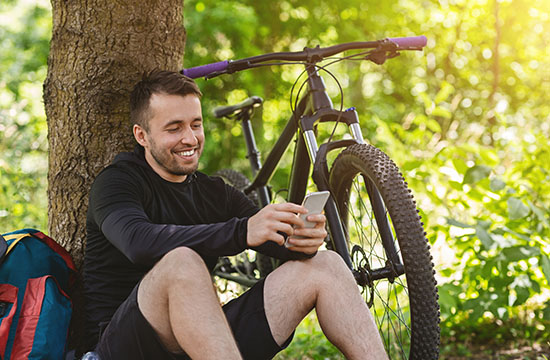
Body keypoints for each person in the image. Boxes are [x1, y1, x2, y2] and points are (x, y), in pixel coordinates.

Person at [80, 70, 388, 360]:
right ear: (142, 135)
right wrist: (242, 231)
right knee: (181, 262)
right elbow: (138, 242)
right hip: (127, 348)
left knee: (325, 265)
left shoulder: (215, 192)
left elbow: (274, 241)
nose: (189, 139)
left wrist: (301, 238)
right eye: (174, 128)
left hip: (205, 344)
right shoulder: (116, 182)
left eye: (195, 125)